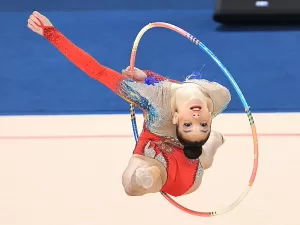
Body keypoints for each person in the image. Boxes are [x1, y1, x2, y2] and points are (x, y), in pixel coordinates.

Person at [27, 11, 231, 197]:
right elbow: (176, 89)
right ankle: (210, 141)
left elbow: (97, 71)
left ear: (177, 118)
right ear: (210, 116)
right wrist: (148, 77)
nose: (196, 119)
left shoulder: (154, 100)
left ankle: (143, 178)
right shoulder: (218, 97)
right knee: (201, 157)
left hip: (181, 172)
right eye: (203, 125)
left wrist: (51, 34)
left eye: (188, 126)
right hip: (174, 162)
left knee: (131, 182)